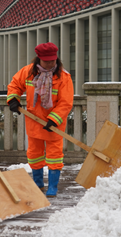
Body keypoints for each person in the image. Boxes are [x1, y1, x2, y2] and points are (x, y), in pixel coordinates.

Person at [7, 42, 74, 197]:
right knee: (34, 154)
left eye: (53, 60)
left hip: (53, 124)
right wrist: (13, 99)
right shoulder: (28, 72)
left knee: (54, 156)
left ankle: (53, 187)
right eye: (47, 61)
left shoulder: (64, 77)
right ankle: (38, 183)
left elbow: (66, 102)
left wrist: (53, 119)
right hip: (33, 121)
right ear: (39, 59)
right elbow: (15, 85)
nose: (50, 63)